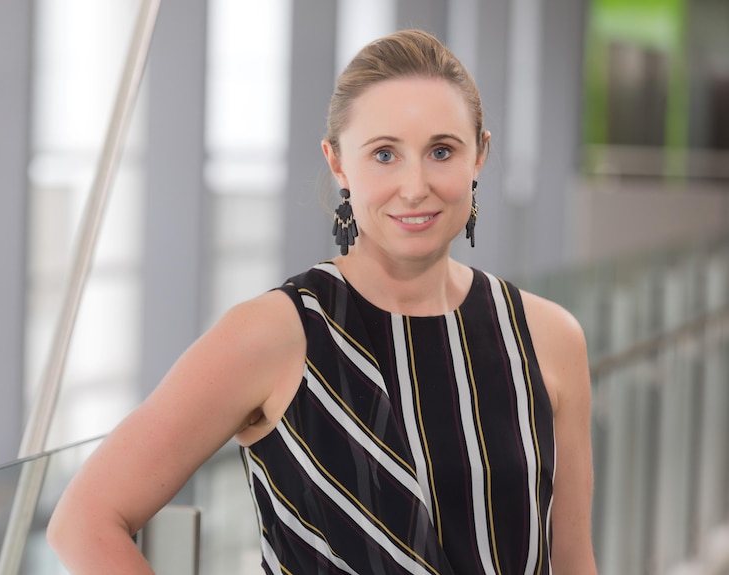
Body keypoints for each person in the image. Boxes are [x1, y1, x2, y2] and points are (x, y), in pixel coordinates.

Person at [47, 29, 597, 574]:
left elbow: (572, 561)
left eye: (441, 151)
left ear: (480, 155)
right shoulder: (276, 333)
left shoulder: (548, 337)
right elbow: (86, 520)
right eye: (384, 154)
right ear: (338, 164)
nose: (414, 185)